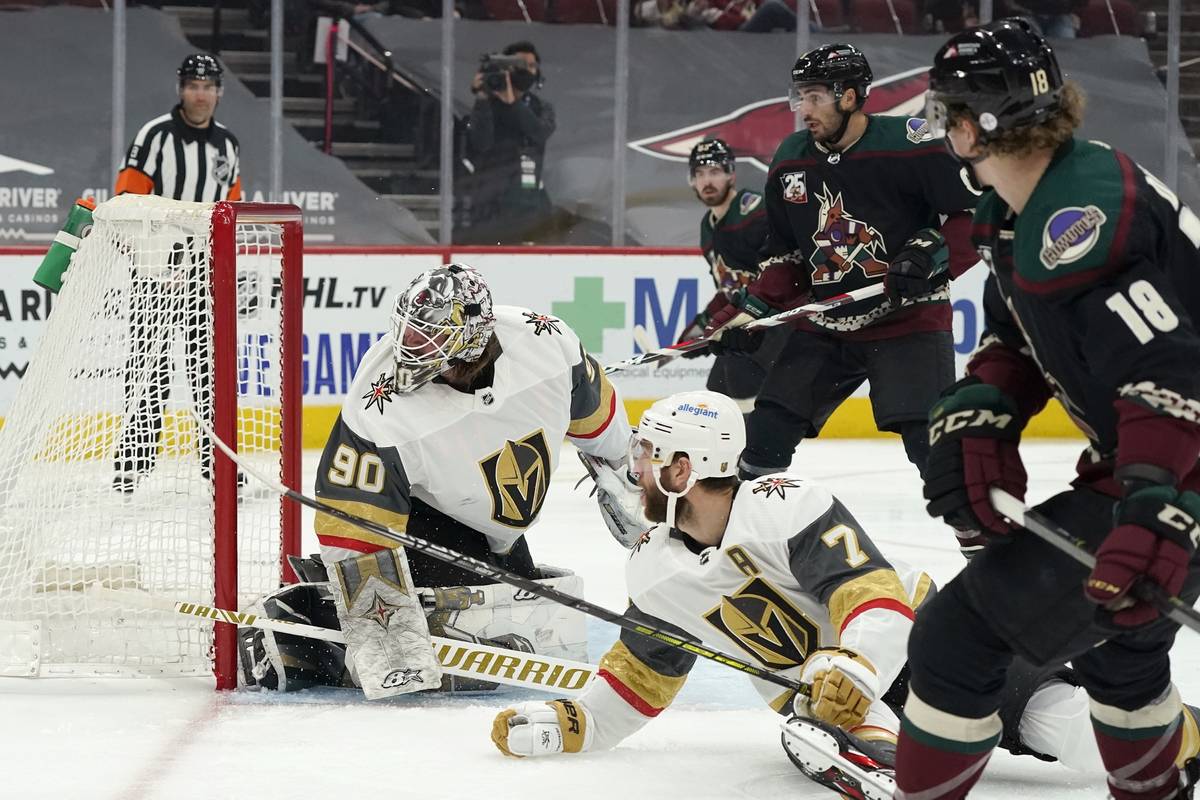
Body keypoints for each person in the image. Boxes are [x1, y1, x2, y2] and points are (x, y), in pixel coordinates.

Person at [490, 390, 1200, 794]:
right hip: (835, 711)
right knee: (817, 731)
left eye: (646, 456)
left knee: (1079, 735)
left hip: (928, 652)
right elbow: (643, 676)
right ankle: (878, 755)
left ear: (683, 467)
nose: (634, 470)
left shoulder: (783, 503)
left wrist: (850, 668)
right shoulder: (652, 567)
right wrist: (572, 724)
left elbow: (874, 597)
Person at [895, 19, 1200, 800]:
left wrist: (1156, 506)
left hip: (1180, 466)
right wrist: (986, 406)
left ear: (974, 125)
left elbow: (1166, 370)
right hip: (1163, 463)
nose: (943, 128)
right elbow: (1026, 328)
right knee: (1117, 652)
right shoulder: (1022, 204)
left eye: (947, 113)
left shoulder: (1079, 221)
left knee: (955, 640)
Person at [238, 263, 633, 699]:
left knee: (516, 596)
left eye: (428, 337)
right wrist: (386, 642)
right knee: (419, 633)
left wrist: (630, 480)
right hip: (422, 523)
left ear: (473, 336)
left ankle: (353, 599)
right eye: (407, 332)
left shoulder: (545, 341)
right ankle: (308, 624)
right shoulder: (380, 405)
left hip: (495, 528)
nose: (410, 348)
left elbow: (602, 425)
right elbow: (351, 526)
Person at [700, 43, 983, 553]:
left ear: (850, 96)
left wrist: (929, 256)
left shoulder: (911, 142)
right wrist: (749, 314)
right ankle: (735, 551)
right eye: (798, 97)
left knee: (934, 451)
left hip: (907, 322)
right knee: (764, 438)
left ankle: (984, 551)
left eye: (813, 97)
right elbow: (785, 257)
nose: (802, 109)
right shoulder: (790, 161)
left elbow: (972, 218)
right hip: (827, 326)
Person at [110, 53, 242, 493]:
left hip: (202, 276)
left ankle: (218, 463)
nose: (200, 94)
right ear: (181, 89)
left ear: (219, 92)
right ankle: (133, 460)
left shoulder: (228, 145)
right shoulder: (154, 137)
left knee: (210, 371)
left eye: (208, 86)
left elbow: (229, 212)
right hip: (153, 274)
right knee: (149, 367)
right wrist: (151, 260)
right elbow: (128, 204)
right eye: (193, 85)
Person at [676, 139, 788, 419]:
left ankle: (753, 452)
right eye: (699, 174)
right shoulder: (708, 227)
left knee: (740, 378)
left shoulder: (754, 211)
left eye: (714, 171)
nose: (707, 181)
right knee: (717, 391)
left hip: (776, 320)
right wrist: (700, 328)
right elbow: (729, 290)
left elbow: (785, 265)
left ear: (731, 174)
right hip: (745, 324)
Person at [458, 42, 556, 245]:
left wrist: (513, 103)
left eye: (530, 66)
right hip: (489, 205)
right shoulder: (487, 107)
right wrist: (483, 98)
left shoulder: (541, 108)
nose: (525, 71)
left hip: (528, 203)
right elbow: (480, 142)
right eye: (519, 65)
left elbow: (538, 133)